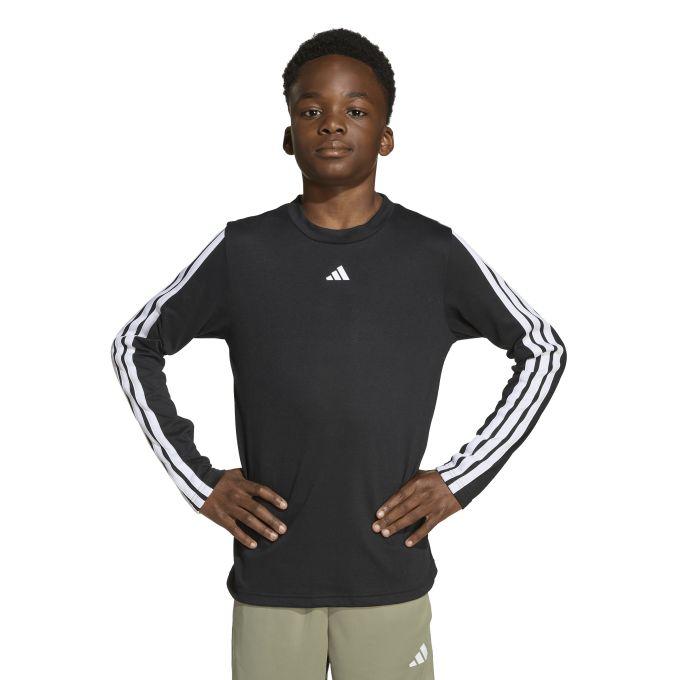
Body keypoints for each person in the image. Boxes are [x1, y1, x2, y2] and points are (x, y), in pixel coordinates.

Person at [110, 27, 567, 680]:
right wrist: (200, 481)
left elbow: (542, 350)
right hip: (273, 577)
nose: (331, 124)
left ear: (385, 136)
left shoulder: (430, 253)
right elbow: (134, 344)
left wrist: (460, 481)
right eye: (310, 109)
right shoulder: (245, 251)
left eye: (355, 109)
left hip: (387, 573)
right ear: (288, 134)